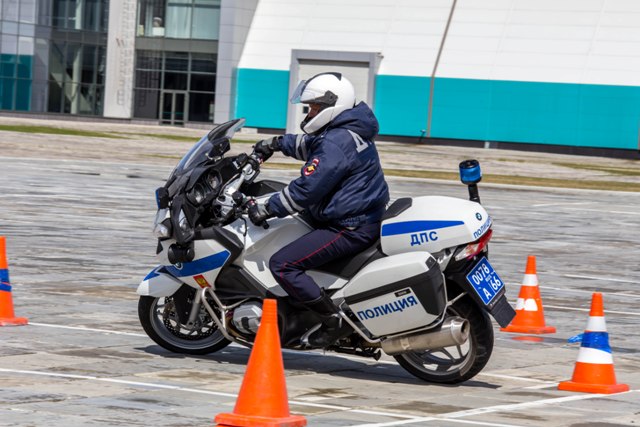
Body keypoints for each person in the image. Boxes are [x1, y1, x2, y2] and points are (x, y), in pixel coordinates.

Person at [248, 72, 390, 348]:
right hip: (356, 214)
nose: (309, 112)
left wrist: (266, 209)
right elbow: (311, 146)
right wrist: (276, 144)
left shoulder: (337, 142)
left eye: (314, 108)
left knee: (283, 264)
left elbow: (306, 189)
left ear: (332, 107)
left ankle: (331, 320)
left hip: (349, 226)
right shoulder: (346, 129)